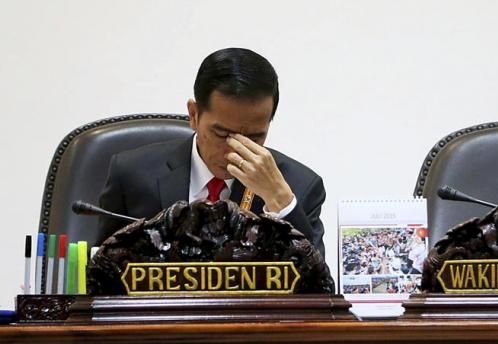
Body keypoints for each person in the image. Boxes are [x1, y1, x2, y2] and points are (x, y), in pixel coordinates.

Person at [96, 48, 326, 256]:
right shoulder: (131, 175)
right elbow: (98, 277)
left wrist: (280, 201)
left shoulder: (301, 187)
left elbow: (319, 293)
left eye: (255, 137)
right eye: (223, 134)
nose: (234, 150)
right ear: (194, 115)